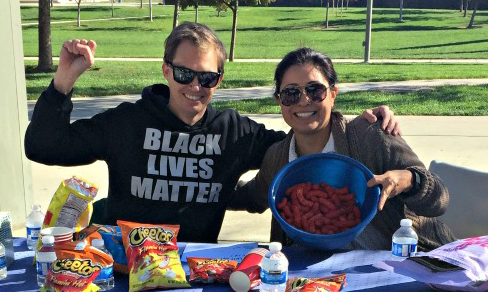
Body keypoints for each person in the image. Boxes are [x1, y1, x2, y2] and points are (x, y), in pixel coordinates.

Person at [25, 22, 400, 243]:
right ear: (167, 71)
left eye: (207, 77)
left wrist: (357, 123)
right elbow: (43, 146)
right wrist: (63, 82)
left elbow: (304, 141)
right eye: (185, 74)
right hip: (127, 265)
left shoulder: (234, 132)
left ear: (218, 79)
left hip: (198, 272)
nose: (195, 86)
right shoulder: (126, 121)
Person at [235, 48, 456, 251]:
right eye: (291, 93)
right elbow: (251, 197)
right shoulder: (277, 157)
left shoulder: (370, 136)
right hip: (314, 280)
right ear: (279, 101)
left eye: (315, 90)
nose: (303, 101)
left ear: (333, 94)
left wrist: (408, 180)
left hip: (396, 268)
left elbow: (440, 198)